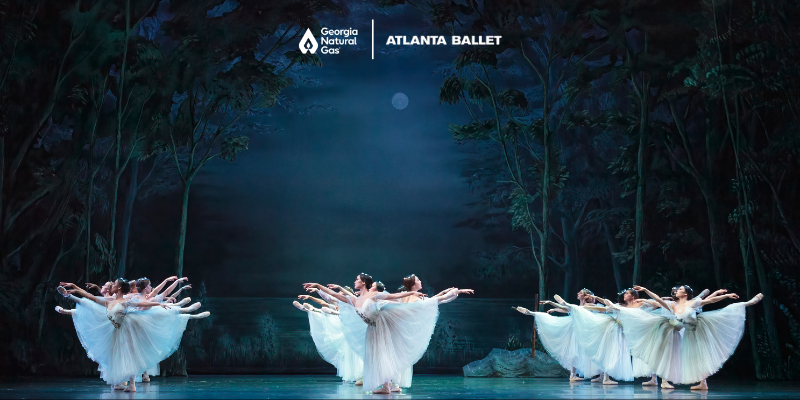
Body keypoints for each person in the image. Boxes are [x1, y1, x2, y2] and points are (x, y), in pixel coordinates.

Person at [605, 285, 763, 390]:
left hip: (697, 328)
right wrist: (645, 290)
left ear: (685, 293)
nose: (677, 291)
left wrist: (726, 295)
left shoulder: (693, 303)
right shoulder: (673, 305)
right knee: (691, 358)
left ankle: (748, 303)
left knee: (702, 353)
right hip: (683, 331)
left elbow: (710, 300)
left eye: (680, 289)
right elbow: (659, 300)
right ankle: (699, 382)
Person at [514, 289, 602, 382]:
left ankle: (600, 374)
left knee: (591, 351)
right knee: (574, 352)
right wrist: (555, 308)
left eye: (580, 293)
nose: (577, 293)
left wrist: (553, 303)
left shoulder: (589, 306)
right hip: (575, 329)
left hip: (585, 330)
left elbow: (568, 307)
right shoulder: (579, 306)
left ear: (585, 296)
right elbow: (568, 308)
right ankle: (573, 375)